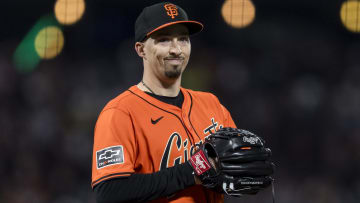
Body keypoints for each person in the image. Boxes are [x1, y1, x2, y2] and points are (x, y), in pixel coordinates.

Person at [92, 2, 237, 202]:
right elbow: (108, 192)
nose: (176, 49)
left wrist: (245, 177)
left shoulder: (211, 104)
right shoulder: (120, 112)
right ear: (141, 49)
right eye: (164, 40)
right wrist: (190, 172)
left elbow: (235, 169)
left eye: (183, 39)